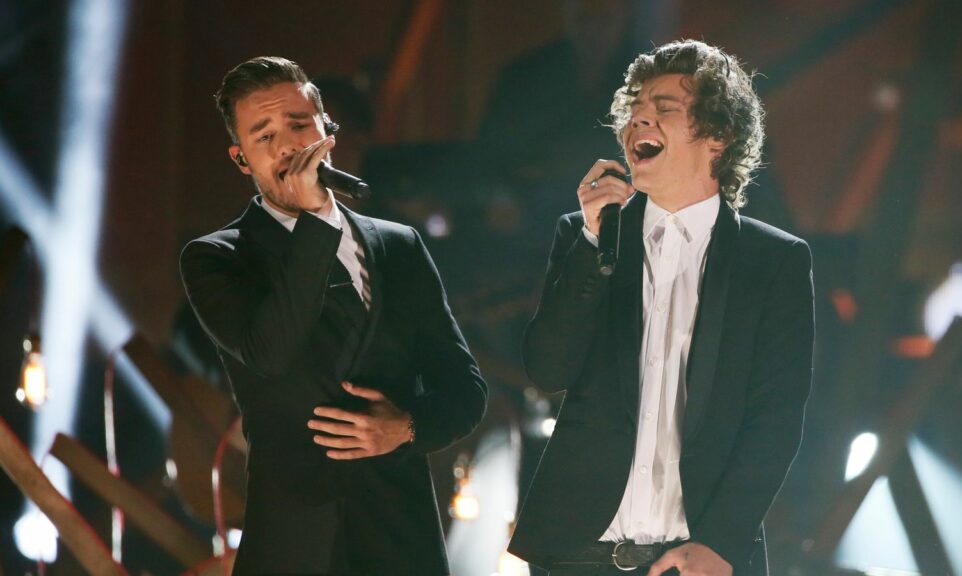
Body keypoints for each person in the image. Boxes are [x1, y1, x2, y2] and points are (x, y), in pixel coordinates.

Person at [508, 39, 815, 576]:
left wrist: (721, 543)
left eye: (663, 110)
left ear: (719, 136)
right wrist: (590, 243)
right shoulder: (587, 235)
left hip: (698, 557)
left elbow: (777, 417)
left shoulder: (774, 261)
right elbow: (547, 368)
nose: (637, 124)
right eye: (635, 112)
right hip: (579, 551)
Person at [180, 56, 487, 575]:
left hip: (401, 535)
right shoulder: (216, 257)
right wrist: (317, 222)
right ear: (241, 159)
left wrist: (407, 427)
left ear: (329, 132)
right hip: (295, 542)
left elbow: (464, 388)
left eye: (299, 125)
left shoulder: (399, 246)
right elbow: (270, 352)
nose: (287, 146)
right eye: (264, 135)